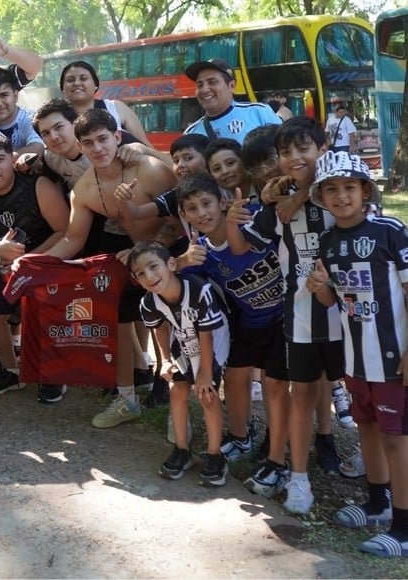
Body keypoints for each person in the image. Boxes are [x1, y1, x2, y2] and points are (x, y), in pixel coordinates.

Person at [227, 116, 344, 515]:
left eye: (302, 149)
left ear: (323, 148)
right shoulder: (276, 198)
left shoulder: (343, 187)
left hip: (352, 316)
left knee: (361, 395)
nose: (293, 158)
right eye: (285, 153)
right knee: (301, 393)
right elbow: (251, 240)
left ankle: (378, 483)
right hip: (299, 315)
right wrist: (277, 199)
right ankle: (296, 476)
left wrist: (305, 190)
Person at [46, 109, 178, 429]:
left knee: (171, 329)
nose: (98, 148)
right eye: (88, 143)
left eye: (103, 139)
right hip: (133, 259)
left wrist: (149, 250)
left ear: (117, 137)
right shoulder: (84, 188)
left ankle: (176, 403)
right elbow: (73, 239)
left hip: (173, 254)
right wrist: (40, 262)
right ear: (81, 146)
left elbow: (180, 221)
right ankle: (127, 398)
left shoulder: (148, 170)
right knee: (114, 317)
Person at [306, 150, 408, 558]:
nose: (341, 196)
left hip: (392, 357)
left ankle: (403, 527)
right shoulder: (328, 242)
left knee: (396, 440)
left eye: (349, 187)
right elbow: (337, 301)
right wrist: (320, 289)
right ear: (322, 196)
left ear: (365, 190)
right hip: (354, 359)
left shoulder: (390, 230)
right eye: (331, 189)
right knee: (366, 429)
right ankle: (379, 502)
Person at [174, 173, 289, 477]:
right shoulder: (199, 253)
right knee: (235, 377)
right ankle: (241, 437)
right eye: (193, 208)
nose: (203, 213)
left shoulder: (249, 220)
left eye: (207, 203)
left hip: (287, 315)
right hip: (250, 321)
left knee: (274, 383)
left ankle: (280, 449)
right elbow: (169, 283)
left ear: (223, 202)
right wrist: (182, 262)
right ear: (184, 215)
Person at [0, 133, 68, 400]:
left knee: (44, 312)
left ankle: (52, 372)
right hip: (4, 260)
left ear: (12, 159)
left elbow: (64, 230)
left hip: (45, 258)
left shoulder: (37, 185)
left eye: (0, 159)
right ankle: (11, 370)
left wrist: (29, 259)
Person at [129, 241, 230, 485]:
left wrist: (205, 373)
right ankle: (182, 449)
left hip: (212, 339)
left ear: (172, 264)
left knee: (207, 393)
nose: (150, 276)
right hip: (183, 335)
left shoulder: (198, 290)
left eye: (153, 266)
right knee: (176, 389)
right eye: (141, 273)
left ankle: (216, 455)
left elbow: (206, 334)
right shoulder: (149, 302)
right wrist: (164, 360)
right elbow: (160, 330)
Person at [184, 59, 282, 144]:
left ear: (232, 86)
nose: (204, 90)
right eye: (200, 85)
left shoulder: (259, 113)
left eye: (212, 82)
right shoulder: (191, 133)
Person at [59, 61, 152, 147]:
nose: (77, 83)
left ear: (95, 85)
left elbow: (146, 147)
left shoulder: (115, 108)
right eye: (70, 80)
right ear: (62, 88)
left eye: (83, 78)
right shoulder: (57, 117)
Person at [0, 67, 44, 157]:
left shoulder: (31, 119)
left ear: (16, 96)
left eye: (4, 95)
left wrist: (2, 159)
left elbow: (37, 148)